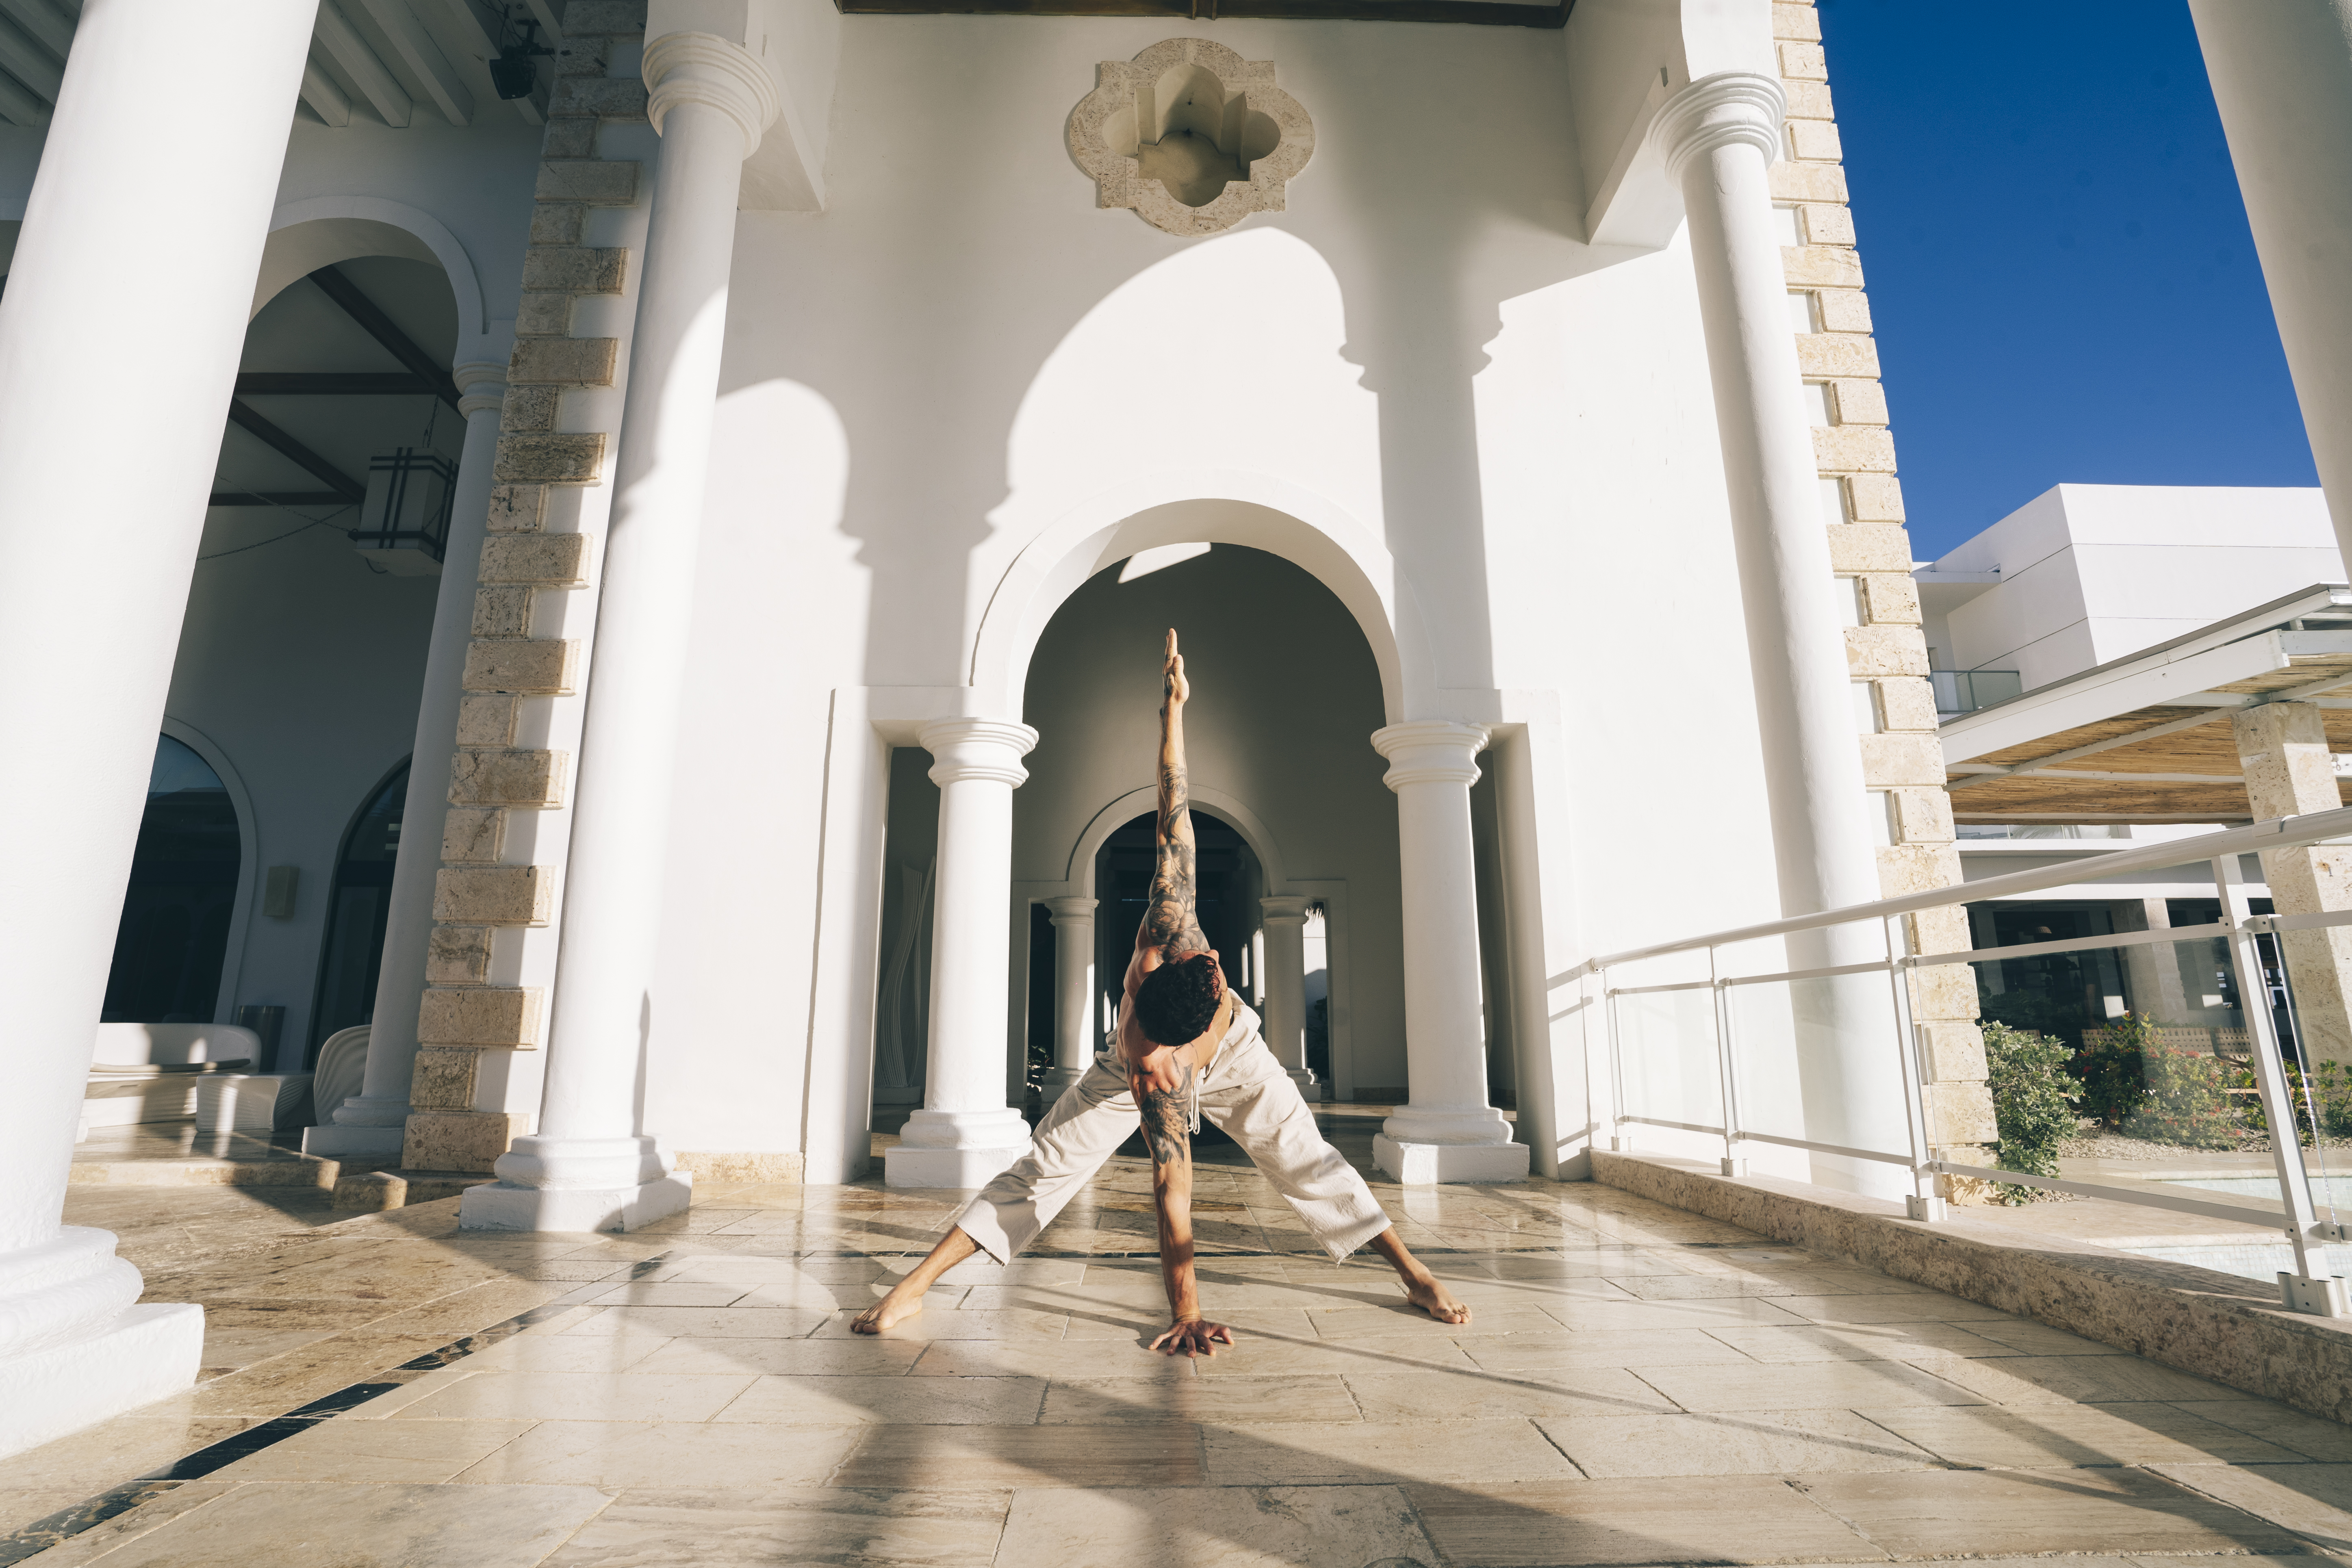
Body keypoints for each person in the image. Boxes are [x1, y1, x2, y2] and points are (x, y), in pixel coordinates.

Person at [853, 629, 1470, 1353]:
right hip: (1155, 1051)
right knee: (1043, 1170)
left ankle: (1413, 1274)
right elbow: (1172, 800)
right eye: (1138, 1040)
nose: (1144, 1071)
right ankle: (915, 1285)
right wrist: (1172, 711)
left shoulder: (1183, 1047)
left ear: (1182, 1047)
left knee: (1307, 1158)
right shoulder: (1164, 942)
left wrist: (1188, 1311)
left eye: (1151, 1063)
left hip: (1237, 1054)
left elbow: (1179, 1193)